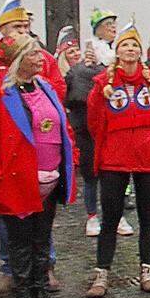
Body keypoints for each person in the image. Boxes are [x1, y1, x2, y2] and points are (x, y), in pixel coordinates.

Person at [0, 34, 76, 298]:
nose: (40, 59)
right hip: (15, 180)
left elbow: (61, 127)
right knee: (19, 243)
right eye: (33, 55)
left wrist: (69, 161)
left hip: (50, 178)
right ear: (19, 60)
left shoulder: (47, 88)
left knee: (42, 239)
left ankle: (40, 295)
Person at [85, 19, 150, 298]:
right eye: (125, 45)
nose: (130, 49)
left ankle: (147, 271)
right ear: (117, 52)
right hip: (115, 158)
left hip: (147, 157)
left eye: (135, 45)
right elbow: (94, 120)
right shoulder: (102, 83)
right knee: (111, 218)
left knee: (147, 217)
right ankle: (101, 275)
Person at [63, 38, 110, 236]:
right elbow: (70, 95)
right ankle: (92, 215)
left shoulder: (108, 70)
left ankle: (116, 215)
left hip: (106, 128)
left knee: (113, 177)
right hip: (84, 129)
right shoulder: (75, 72)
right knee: (90, 176)